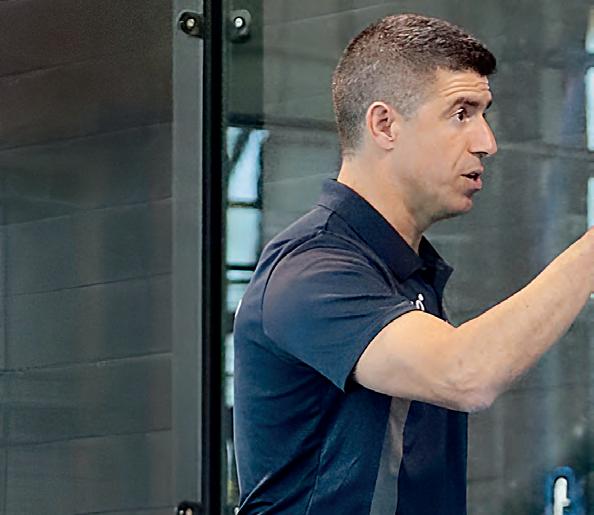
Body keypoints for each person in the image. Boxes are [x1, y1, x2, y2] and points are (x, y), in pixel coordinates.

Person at [233, 13, 594, 514]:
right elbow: (464, 373)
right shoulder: (312, 271)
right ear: (384, 124)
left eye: (483, 114)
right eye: (461, 113)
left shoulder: (405, 273)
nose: (486, 142)